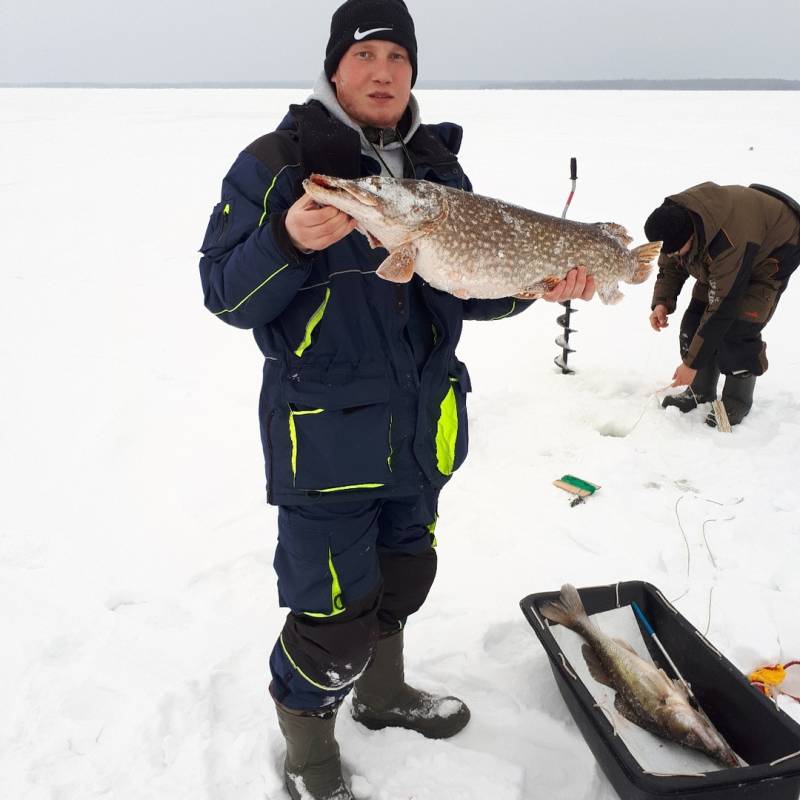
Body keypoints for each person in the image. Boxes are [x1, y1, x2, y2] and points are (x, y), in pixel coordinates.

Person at [198, 1, 594, 797]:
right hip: (326, 433)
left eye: (398, 59)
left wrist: (535, 286)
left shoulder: (438, 171)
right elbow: (225, 294)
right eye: (366, 55)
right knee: (333, 608)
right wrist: (285, 242)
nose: (383, 72)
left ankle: (380, 696)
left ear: (413, 71)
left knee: (405, 575)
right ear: (335, 68)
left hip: (425, 423)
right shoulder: (277, 163)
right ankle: (310, 751)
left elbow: (463, 291)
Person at [645, 182, 800, 426]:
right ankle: (701, 391)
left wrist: (690, 364)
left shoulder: (727, 243)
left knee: (736, 329)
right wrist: (661, 303)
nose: (673, 255)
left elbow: (721, 309)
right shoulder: (674, 222)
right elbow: (671, 264)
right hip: (730, 248)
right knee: (693, 324)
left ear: (691, 237)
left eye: (676, 251)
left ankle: (737, 400)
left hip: (774, 251)